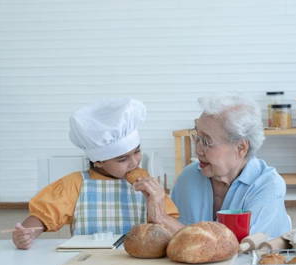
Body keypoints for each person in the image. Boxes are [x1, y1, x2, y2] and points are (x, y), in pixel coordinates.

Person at [12, 98, 183, 250]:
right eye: (122, 159)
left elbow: (172, 229)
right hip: (86, 260)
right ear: (99, 161)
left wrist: (157, 203)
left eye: (137, 151)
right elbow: (42, 216)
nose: (134, 162)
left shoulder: (149, 185)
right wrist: (27, 233)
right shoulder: (76, 184)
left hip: (136, 259)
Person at [171, 95, 291, 238]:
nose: (198, 150)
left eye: (207, 141)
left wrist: (164, 220)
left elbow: (238, 248)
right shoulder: (188, 177)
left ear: (241, 147)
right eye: (197, 136)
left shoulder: (268, 186)